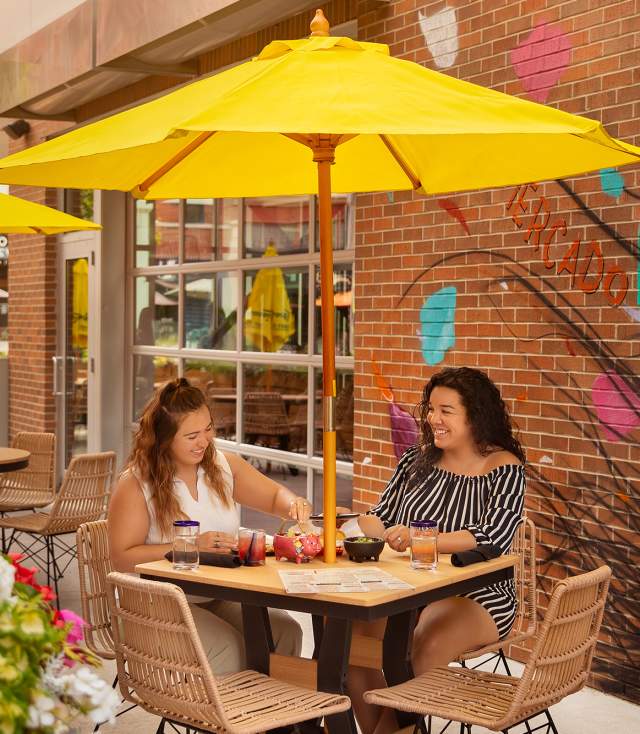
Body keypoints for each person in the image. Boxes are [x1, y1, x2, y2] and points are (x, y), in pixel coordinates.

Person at [352, 366, 526, 734]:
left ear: (475, 416)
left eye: (446, 411)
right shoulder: (416, 460)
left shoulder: (503, 468)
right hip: (405, 589)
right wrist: (349, 524)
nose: (433, 419)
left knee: (426, 643)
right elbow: (381, 519)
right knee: (348, 644)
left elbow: (492, 534)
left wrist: (421, 537)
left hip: (478, 592)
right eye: (431, 409)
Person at [108, 377, 310, 674]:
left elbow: (274, 496)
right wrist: (188, 546)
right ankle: (236, 718)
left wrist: (294, 504)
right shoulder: (137, 483)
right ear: (165, 438)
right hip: (154, 604)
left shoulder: (222, 466)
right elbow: (121, 557)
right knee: (229, 647)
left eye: (208, 429)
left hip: (219, 594)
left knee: (285, 631)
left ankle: (279, 717)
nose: (203, 442)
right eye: (191, 436)